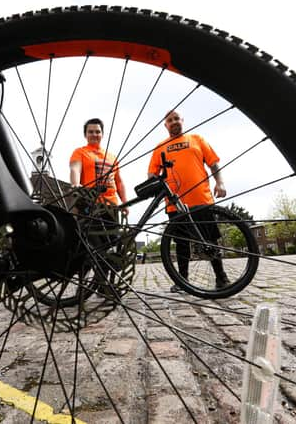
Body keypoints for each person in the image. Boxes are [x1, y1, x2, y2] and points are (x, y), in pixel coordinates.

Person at [147, 110, 229, 293]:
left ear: (182, 120)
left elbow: (213, 163)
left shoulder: (197, 139)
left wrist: (220, 182)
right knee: (181, 242)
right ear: (165, 125)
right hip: (174, 202)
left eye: (176, 118)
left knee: (210, 239)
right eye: (169, 120)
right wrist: (154, 184)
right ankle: (182, 280)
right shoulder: (160, 146)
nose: (174, 122)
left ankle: (221, 278)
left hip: (201, 198)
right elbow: (152, 173)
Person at [70, 118, 128, 207]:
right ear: (85, 135)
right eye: (90, 132)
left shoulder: (112, 157)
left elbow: (119, 182)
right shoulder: (80, 152)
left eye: (97, 132)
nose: (94, 134)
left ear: (102, 134)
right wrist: (75, 185)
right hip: (90, 203)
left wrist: (125, 203)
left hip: (112, 206)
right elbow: (75, 169)